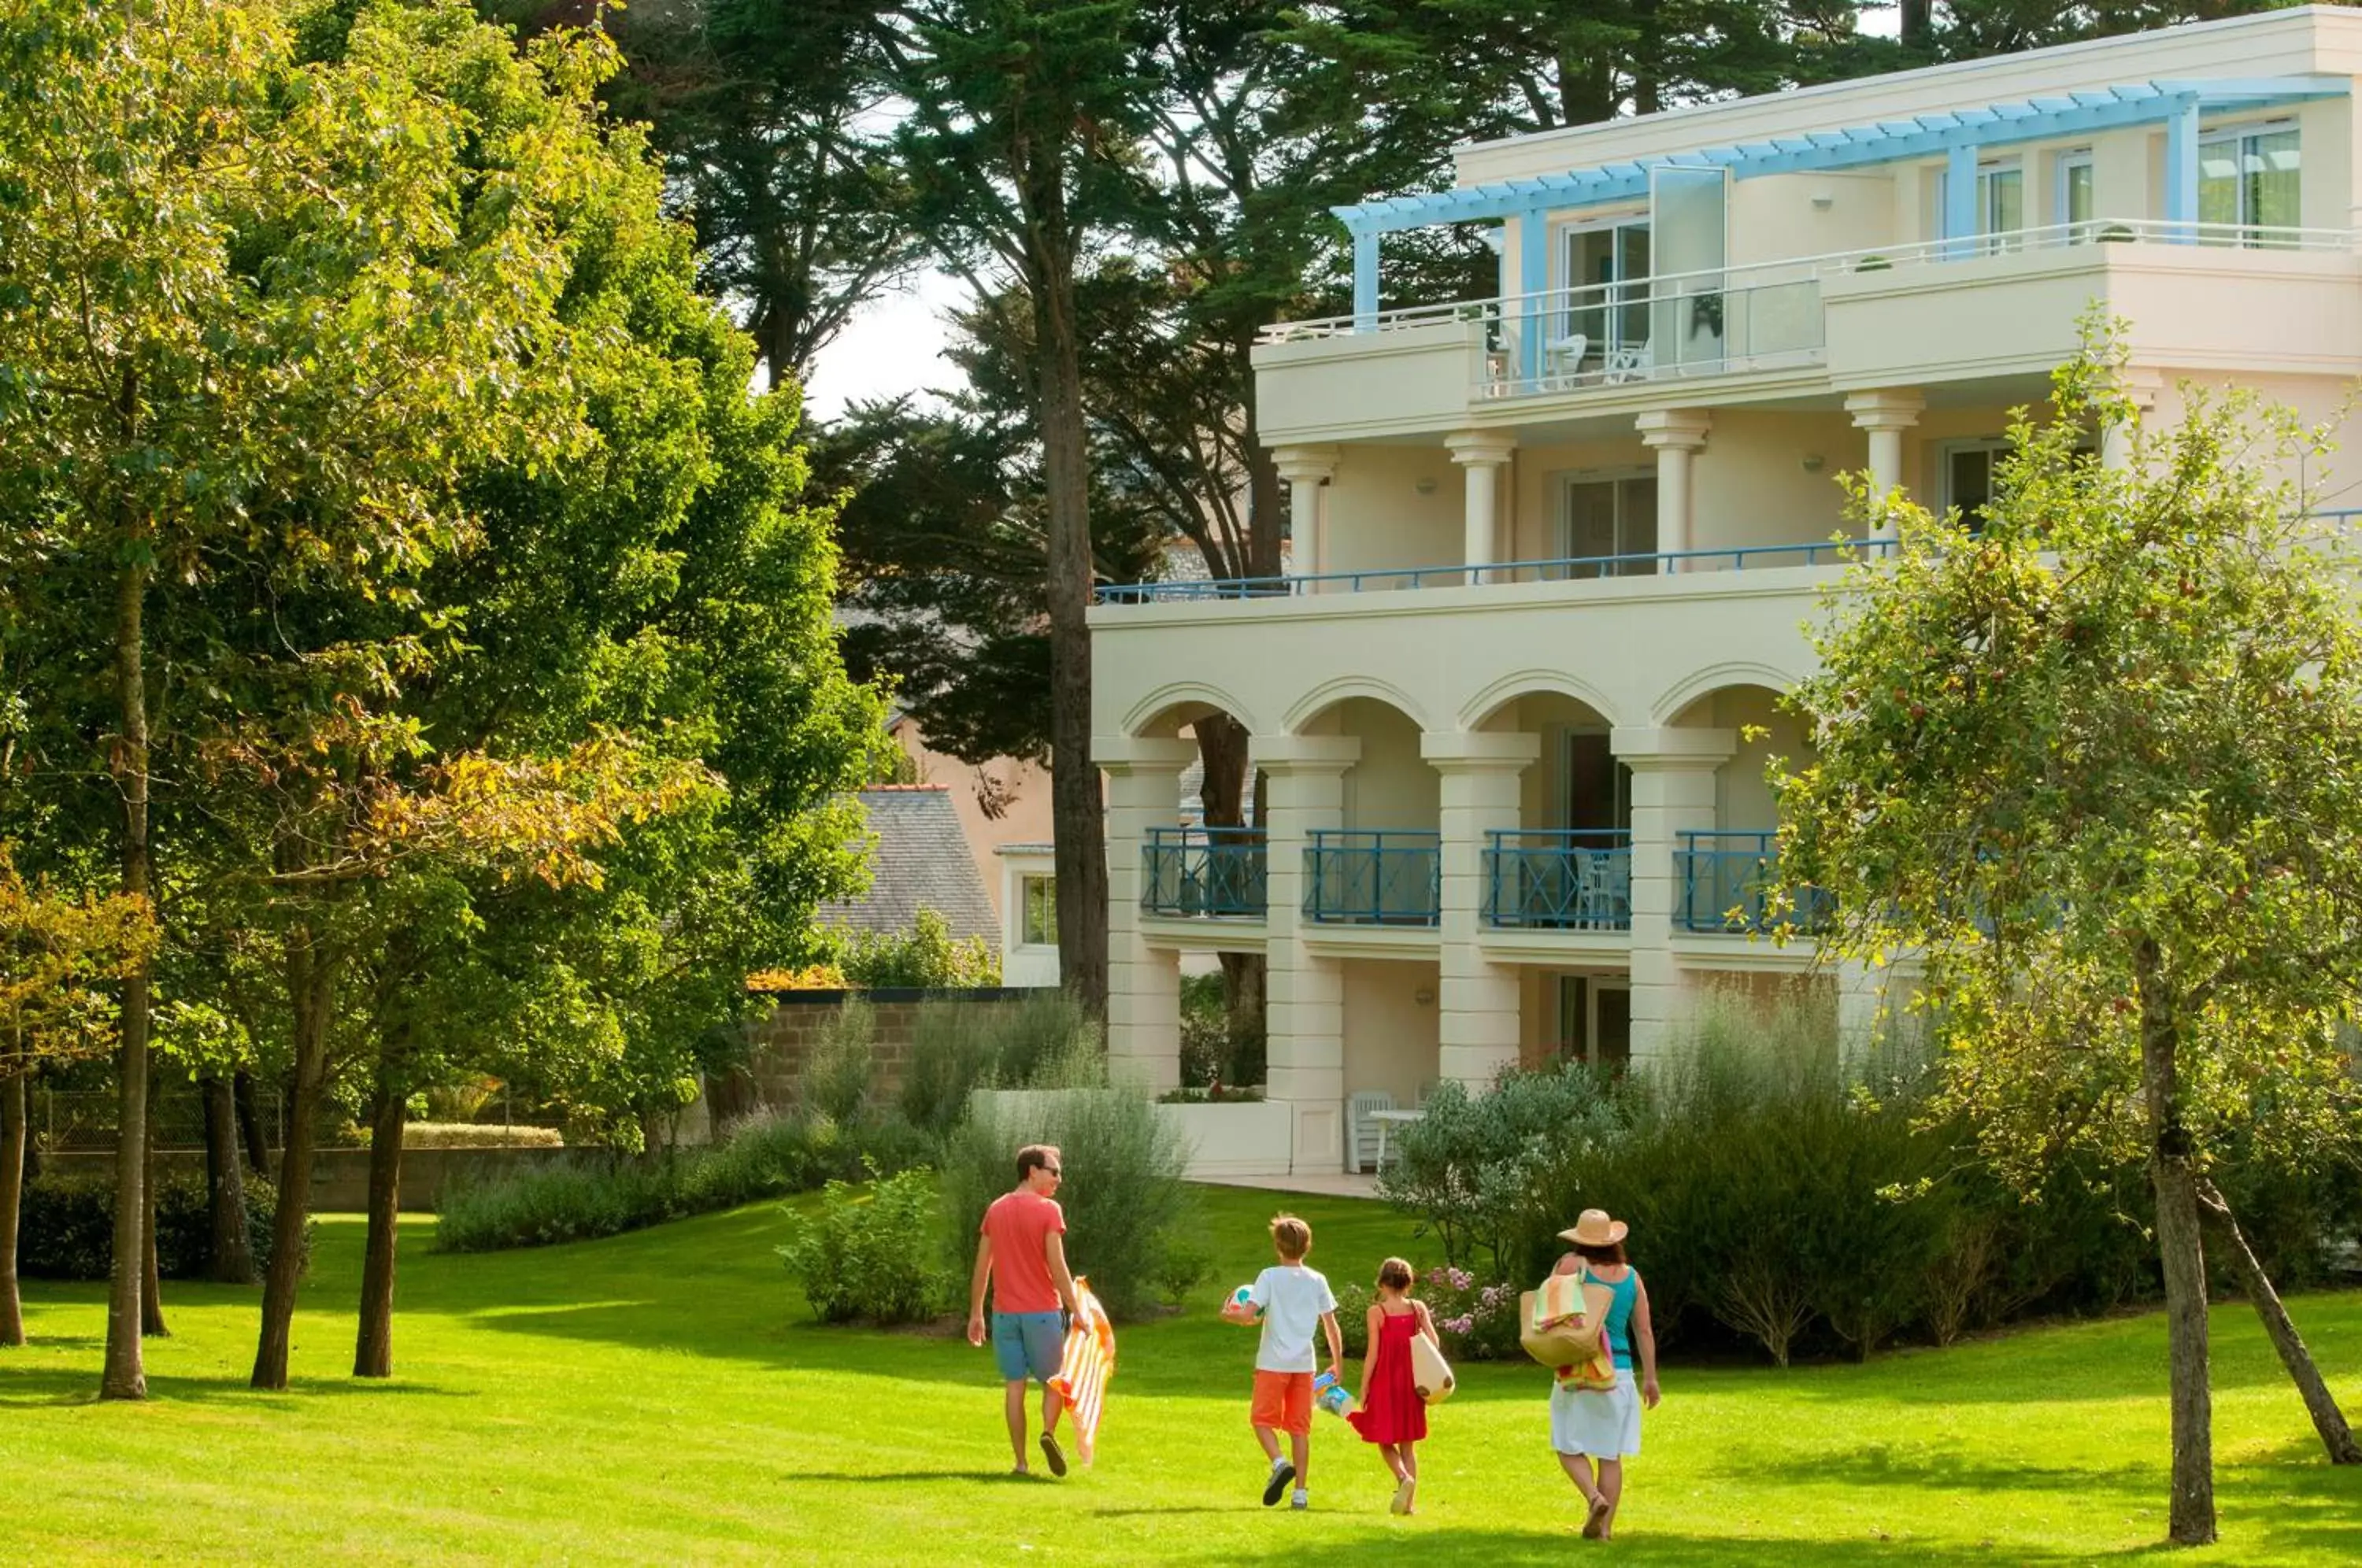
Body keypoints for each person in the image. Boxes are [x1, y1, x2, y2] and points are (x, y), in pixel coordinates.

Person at [966, 1144, 1083, 1478]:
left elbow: (981, 1267)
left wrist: (976, 1313)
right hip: (1043, 1312)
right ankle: (1048, 1433)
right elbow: (1057, 1267)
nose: (1059, 1179)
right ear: (1033, 1171)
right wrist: (1078, 1311)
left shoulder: (995, 1210)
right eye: (1054, 1171)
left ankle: (1020, 1462)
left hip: (1004, 1315)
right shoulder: (1049, 1210)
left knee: (1014, 1387)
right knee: (1052, 1382)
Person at [1549, 1207, 1659, 1540]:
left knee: (1566, 1444)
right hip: (1620, 1372)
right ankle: (1605, 1530)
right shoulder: (1631, 1276)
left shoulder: (1570, 1266)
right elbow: (1644, 1329)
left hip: (1578, 1367)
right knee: (1610, 1455)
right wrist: (1650, 1378)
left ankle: (1594, 1498)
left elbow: (1548, 1309)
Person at [1221, 1212, 1342, 1511]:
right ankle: (1300, 1494)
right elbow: (1331, 1325)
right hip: (1304, 1365)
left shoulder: (1269, 1277)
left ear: (1278, 1246)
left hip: (1273, 1364)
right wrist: (1338, 1363)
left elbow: (1248, 1315)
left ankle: (1278, 1463)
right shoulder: (1317, 1280)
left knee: (1261, 1421)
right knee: (1299, 1429)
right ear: (1307, 1246)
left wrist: (1228, 1315)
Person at [1345, 1256, 1438, 1514]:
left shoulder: (1377, 1312)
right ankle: (1409, 1506)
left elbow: (1373, 1353)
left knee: (1382, 1437)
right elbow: (1434, 1343)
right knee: (1408, 1444)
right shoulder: (1418, 1308)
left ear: (1382, 1283)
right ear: (1408, 1283)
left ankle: (1402, 1478)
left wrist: (1364, 1387)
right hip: (1411, 1383)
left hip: (1384, 1383)